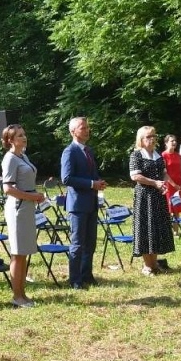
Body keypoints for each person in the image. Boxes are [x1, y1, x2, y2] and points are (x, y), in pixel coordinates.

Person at [0, 125, 44, 307]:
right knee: (18, 252)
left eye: (24, 134)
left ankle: (23, 293)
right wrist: (31, 196)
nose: (24, 138)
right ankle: (17, 296)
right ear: (10, 140)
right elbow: (7, 188)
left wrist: (35, 196)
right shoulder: (9, 158)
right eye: (19, 135)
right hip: (17, 208)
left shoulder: (23, 156)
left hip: (27, 207)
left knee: (24, 252)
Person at [61, 116, 107, 289]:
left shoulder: (88, 151)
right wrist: (91, 184)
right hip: (78, 204)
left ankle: (87, 274)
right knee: (78, 243)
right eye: (83, 127)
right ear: (73, 131)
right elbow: (66, 178)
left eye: (88, 127)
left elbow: (91, 174)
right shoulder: (69, 151)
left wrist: (98, 182)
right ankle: (75, 279)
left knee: (90, 242)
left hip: (91, 202)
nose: (87, 130)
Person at [128, 126, 175, 274]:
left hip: (158, 197)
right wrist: (154, 183)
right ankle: (147, 266)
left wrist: (170, 184)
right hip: (144, 197)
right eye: (148, 136)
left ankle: (154, 265)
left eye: (154, 136)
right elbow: (135, 176)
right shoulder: (137, 155)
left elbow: (163, 173)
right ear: (141, 139)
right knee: (145, 229)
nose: (152, 139)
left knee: (155, 229)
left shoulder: (157, 155)